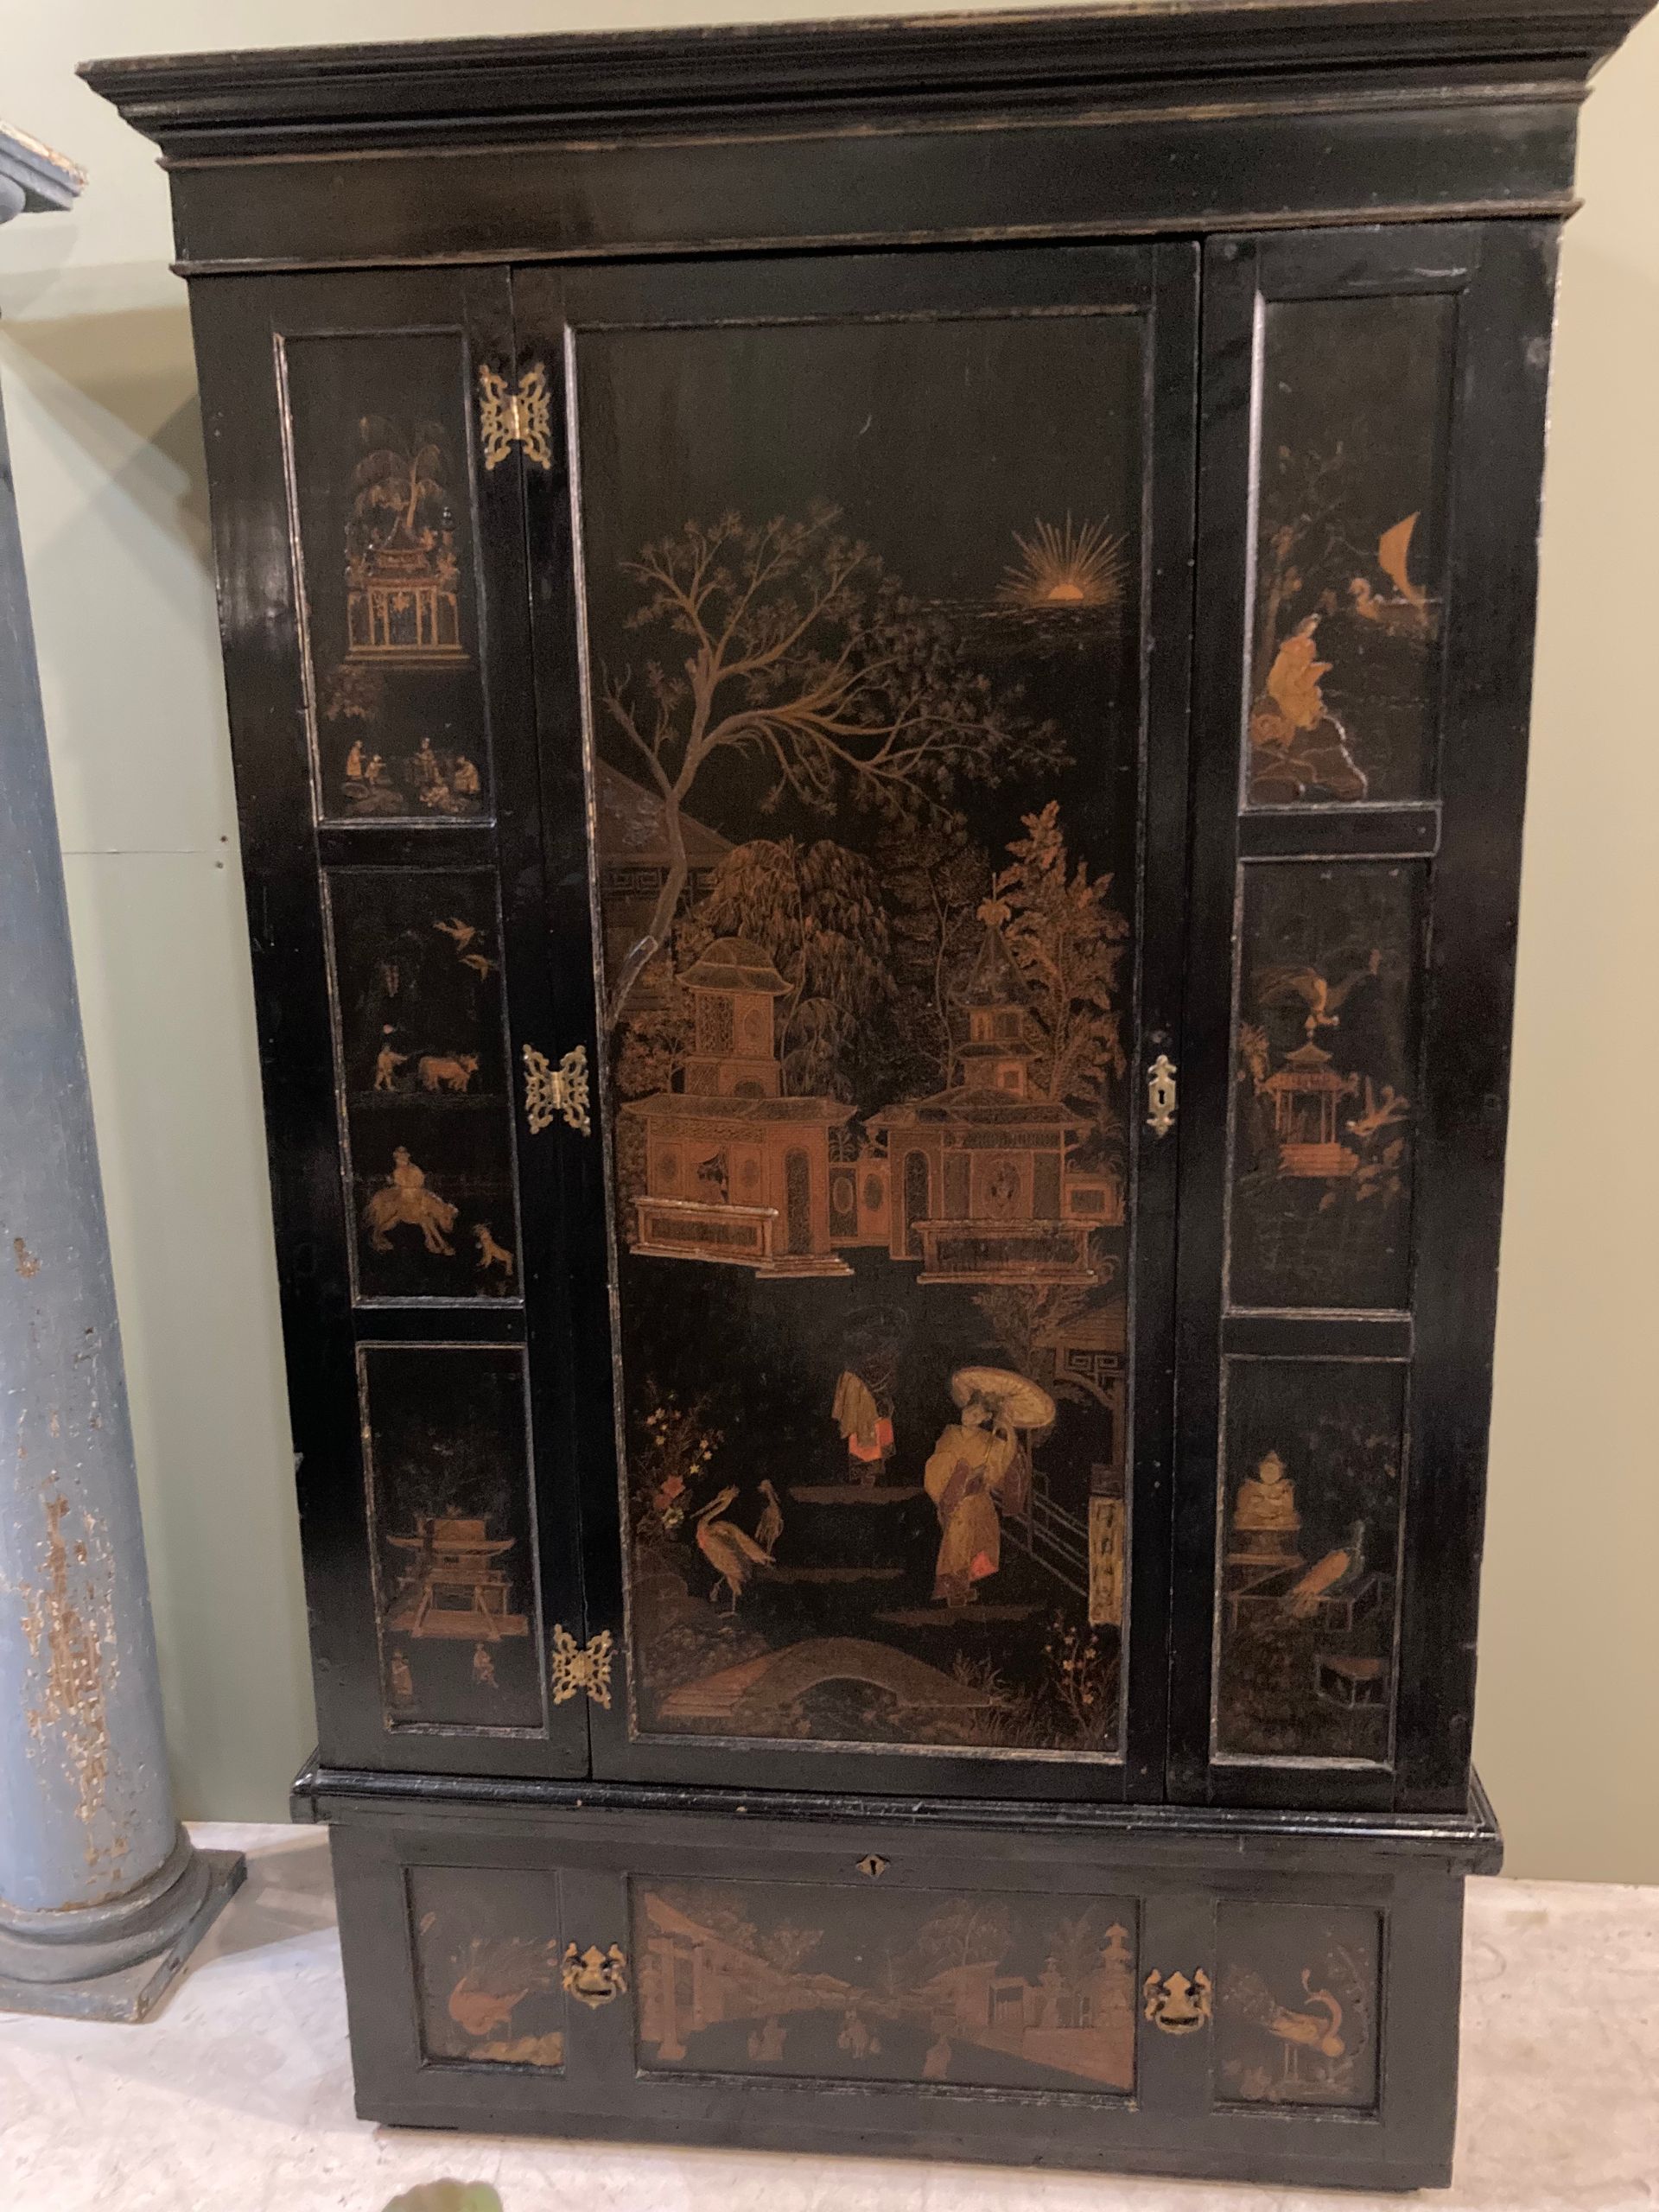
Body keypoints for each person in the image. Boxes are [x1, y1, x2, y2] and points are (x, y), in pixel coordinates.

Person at [924, 1392, 1027, 1605]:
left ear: (985, 1418)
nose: (969, 1417)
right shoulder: (951, 1434)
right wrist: (962, 1474)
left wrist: (1008, 1431)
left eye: (976, 1414)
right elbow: (937, 1465)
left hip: (978, 1500)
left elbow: (1002, 1462)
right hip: (957, 1498)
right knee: (956, 1543)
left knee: (978, 1543)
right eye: (968, 1411)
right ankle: (954, 1591)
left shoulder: (988, 1441)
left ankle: (964, 1586)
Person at [363, 1146, 458, 1255]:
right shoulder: (399, 1171)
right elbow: (401, 1182)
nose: (402, 1160)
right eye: (399, 1158)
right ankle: (434, 1242)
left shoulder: (413, 1168)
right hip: (407, 1195)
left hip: (418, 1193)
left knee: (426, 1211)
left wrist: (414, 1186)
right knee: (416, 1212)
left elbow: (419, 1180)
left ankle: (435, 1242)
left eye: (403, 1157)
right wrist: (410, 1185)